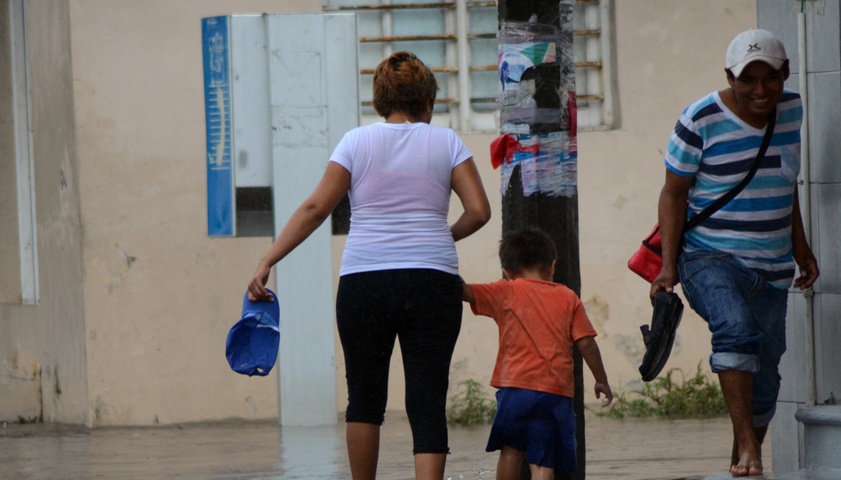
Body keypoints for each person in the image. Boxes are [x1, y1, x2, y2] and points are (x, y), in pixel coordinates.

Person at [246, 51, 491, 480]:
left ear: (380, 100)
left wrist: (269, 259)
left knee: (364, 397)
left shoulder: (355, 142)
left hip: (364, 283)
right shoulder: (447, 142)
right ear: (427, 102)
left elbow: (317, 207)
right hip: (432, 283)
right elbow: (479, 211)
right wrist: (436, 238)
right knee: (427, 398)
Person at [650, 29, 819, 477]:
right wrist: (668, 267)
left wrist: (800, 247)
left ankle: (741, 456)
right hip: (708, 257)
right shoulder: (699, 118)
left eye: (771, 78)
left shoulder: (794, 110)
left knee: (766, 377)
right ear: (730, 76)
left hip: (772, 266)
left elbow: (785, 184)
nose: (760, 90)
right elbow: (672, 194)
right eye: (749, 79)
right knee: (735, 328)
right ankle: (749, 449)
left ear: (785, 74)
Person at [462, 228, 613, 480]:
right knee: (543, 461)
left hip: (515, 389)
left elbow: (465, 292)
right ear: (552, 266)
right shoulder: (568, 297)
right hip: (555, 392)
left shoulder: (505, 290)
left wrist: (438, 261)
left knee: (511, 451)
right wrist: (601, 379)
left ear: (507, 271)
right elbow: (586, 343)